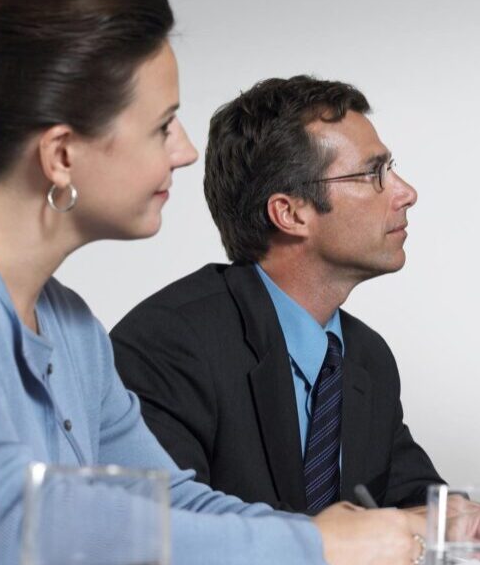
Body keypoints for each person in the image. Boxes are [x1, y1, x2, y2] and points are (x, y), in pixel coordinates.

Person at [0, 0, 423, 565]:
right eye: (162, 127)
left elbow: (171, 504)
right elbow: (0, 528)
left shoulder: (72, 329)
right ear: (61, 156)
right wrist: (313, 552)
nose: (185, 153)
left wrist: (340, 541)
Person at [110, 76, 444, 513]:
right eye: (372, 173)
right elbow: (166, 532)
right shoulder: (169, 345)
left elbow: (420, 500)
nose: (406, 193)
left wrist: (454, 518)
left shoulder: (366, 357)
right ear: (289, 213)